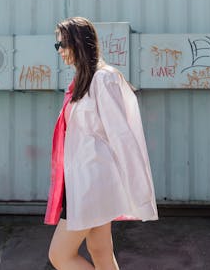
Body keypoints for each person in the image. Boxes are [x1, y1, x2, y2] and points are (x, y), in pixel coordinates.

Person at [45, 17, 158, 270]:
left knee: (60, 255)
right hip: (83, 180)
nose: (60, 51)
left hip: (92, 184)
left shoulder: (103, 80)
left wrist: (139, 191)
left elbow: (122, 137)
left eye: (62, 44)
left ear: (78, 43)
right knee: (101, 252)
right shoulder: (82, 82)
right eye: (57, 46)